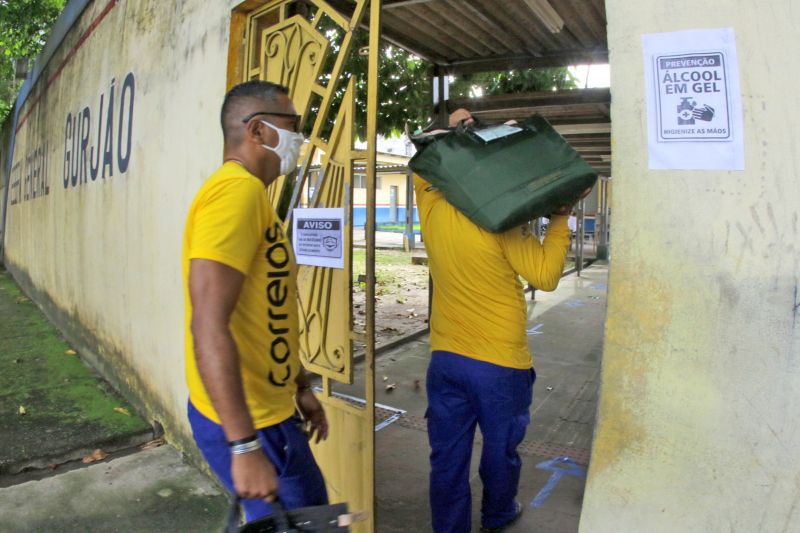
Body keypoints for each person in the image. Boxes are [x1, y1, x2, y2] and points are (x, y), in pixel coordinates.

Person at [415, 108, 584, 533]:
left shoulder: (429, 203)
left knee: (447, 459)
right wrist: (560, 219)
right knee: (499, 450)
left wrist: (456, 130)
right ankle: (498, 514)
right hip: (500, 365)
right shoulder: (502, 222)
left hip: (446, 360)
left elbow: (428, 158)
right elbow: (545, 276)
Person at [182, 80, 329, 522]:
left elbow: (264, 311)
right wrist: (244, 445)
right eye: (293, 125)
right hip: (254, 424)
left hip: (270, 409)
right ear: (259, 131)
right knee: (308, 524)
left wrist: (298, 385)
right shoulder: (236, 194)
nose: (300, 139)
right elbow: (208, 324)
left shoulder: (251, 197)